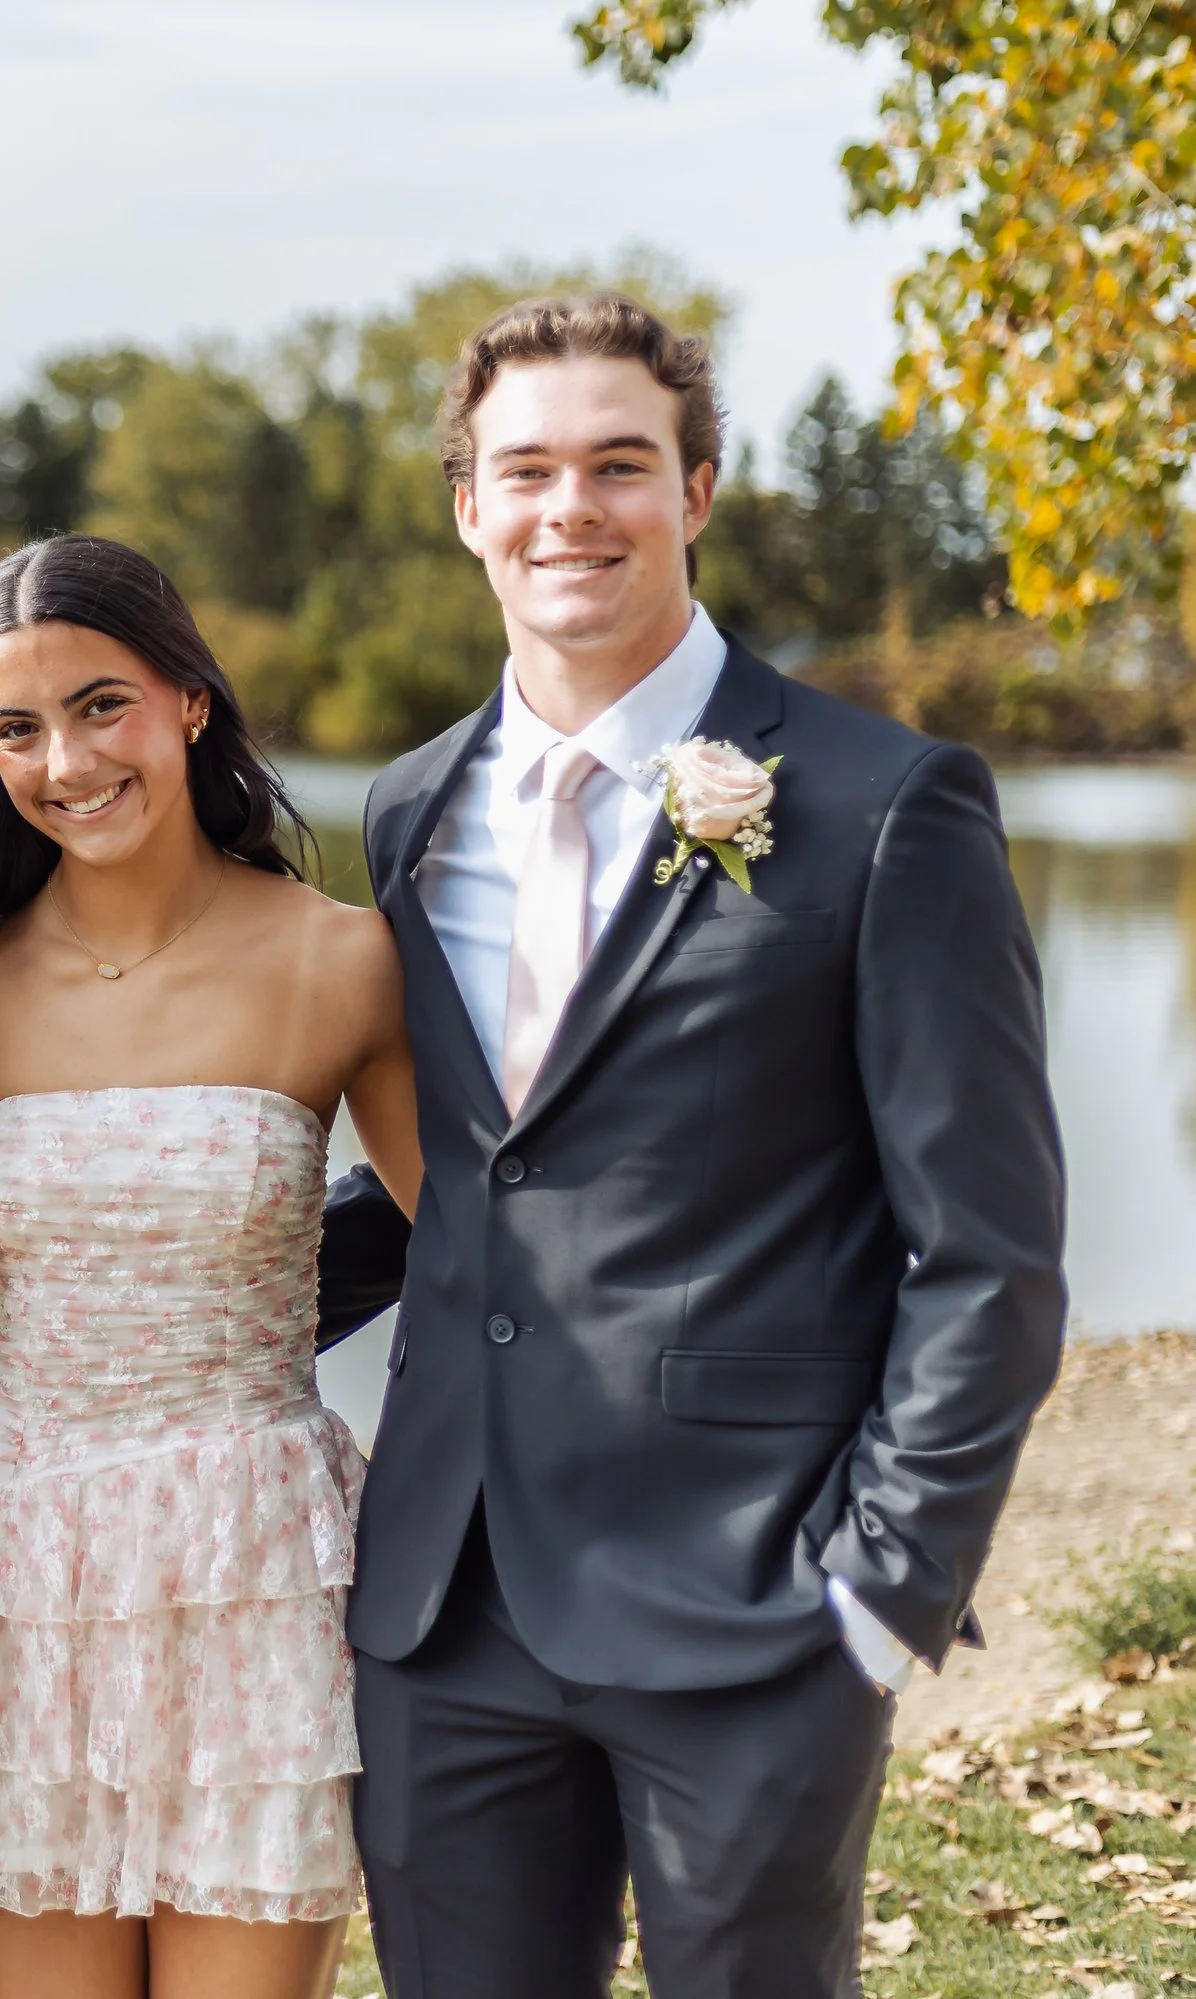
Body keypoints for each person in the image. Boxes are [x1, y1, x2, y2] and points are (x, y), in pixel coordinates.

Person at [315, 294, 1068, 1998]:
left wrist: (883, 1586)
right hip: (448, 1602)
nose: (567, 509)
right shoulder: (408, 810)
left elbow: (990, 1252)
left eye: (618, 465)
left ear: (699, 490)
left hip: (755, 1592)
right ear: (466, 506)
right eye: (526, 470)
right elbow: (474, 1174)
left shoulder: (886, 805)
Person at [0, 533, 421, 1999]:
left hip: (262, 1566)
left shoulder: (341, 961)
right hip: (24, 1571)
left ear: (187, 697)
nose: (67, 758)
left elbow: (498, 1259)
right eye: (18, 729)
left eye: (101, 703)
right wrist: (73, 1425)